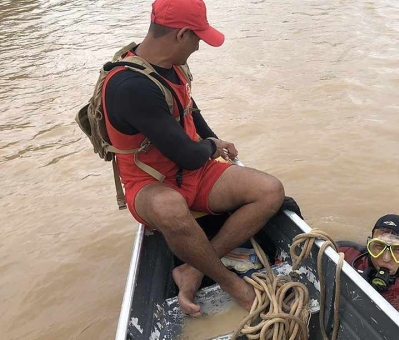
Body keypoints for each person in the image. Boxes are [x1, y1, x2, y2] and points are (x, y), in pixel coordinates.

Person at [100, 0, 285, 316]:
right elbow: (189, 156)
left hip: (193, 172)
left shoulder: (172, 64)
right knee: (169, 207)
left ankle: (194, 268)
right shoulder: (130, 86)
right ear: (181, 34)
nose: (199, 46)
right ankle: (231, 283)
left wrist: (215, 138)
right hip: (149, 183)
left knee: (270, 190)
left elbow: (188, 106)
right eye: (198, 38)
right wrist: (211, 148)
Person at [338, 214, 399, 322]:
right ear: (369, 244)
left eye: (397, 250)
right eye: (379, 246)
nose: (386, 258)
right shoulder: (344, 252)